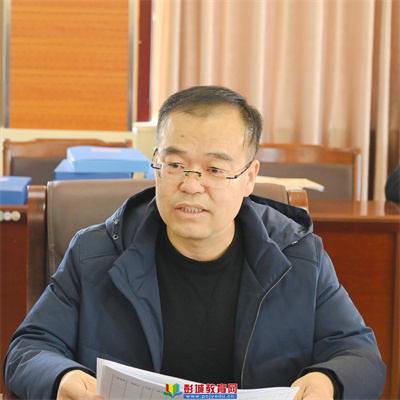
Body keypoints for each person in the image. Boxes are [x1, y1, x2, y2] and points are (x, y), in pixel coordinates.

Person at [4, 86, 385, 400]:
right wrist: (63, 378)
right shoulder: (96, 252)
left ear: (249, 177)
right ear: (156, 163)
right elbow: (29, 349)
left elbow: (360, 355)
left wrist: (326, 381)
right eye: (174, 165)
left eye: (214, 169)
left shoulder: (298, 254)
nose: (190, 185)